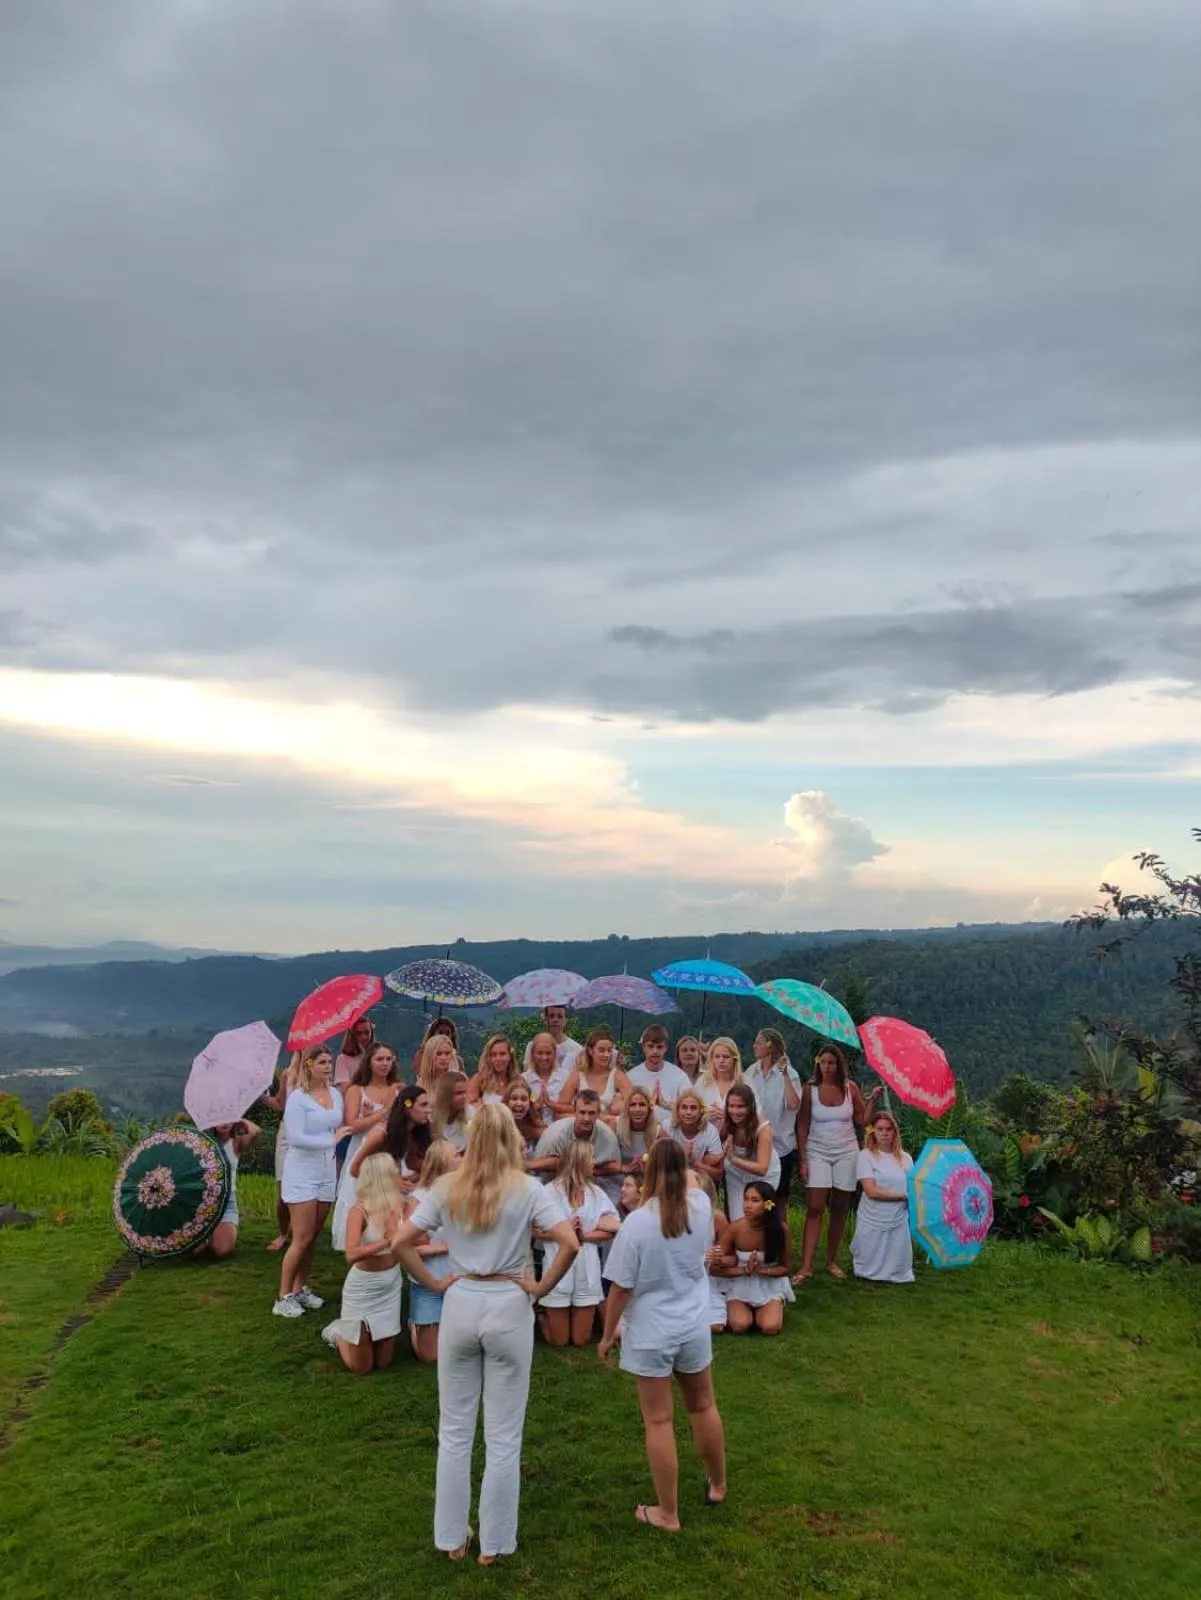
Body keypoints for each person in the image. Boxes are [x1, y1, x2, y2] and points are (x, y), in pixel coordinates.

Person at [390, 1104, 581, 1565]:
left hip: (461, 1301)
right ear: (511, 1139)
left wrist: (434, 1283)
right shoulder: (527, 1188)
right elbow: (570, 1243)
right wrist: (539, 1288)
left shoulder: (446, 1186)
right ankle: (494, 1544)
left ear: (472, 1140)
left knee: (454, 1431)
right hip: (508, 1302)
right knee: (503, 1434)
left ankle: (452, 1538)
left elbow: (400, 1242)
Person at [598, 1140, 728, 1531]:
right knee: (703, 1406)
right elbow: (690, 1180)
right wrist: (680, 1160)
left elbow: (620, 1288)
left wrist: (607, 1334)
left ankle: (668, 1513)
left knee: (658, 1421)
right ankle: (718, 1484)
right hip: (692, 1324)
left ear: (648, 1173)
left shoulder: (636, 1222)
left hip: (652, 1329)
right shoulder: (702, 1207)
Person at [794, 1044, 882, 1284]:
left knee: (840, 1208)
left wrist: (872, 1100)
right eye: (823, 1062)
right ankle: (806, 1266)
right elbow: (802, 1125)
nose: (827, 1067)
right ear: (817, 1063)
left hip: (847, 1151)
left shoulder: (849, 1088)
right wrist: (803, 1159)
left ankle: (831, 1261)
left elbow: (863, 1120)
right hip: (817, 1150)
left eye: (831, 1063)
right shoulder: (809, 1090)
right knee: (815, 1206)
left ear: (839, 1064)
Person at [274, 1047, 343, 1319]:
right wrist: (332, 1141)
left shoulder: (335, 1093)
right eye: (322, 1062)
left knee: (312, 1235)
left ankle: (300, 1287)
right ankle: (283, 1296)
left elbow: (337, 1124)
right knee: (300, 1237)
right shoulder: (298, 1099)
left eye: (330, 1062)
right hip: (302, 1171)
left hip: (326, 1171)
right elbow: (297, 1137)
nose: (328, 1067)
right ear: (309, 1066)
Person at [320, 1152, 404, 1374]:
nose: (399, 1176)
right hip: (364, 1286)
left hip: (391, 1282)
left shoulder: (398, 1206)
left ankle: (372, 1336)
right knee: (362, 1368)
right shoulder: (359, 1211)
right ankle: (337, 1335)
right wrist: (386, 1241)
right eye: (394, 1173)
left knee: (385, 1362)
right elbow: (351, 1254)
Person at [535, 1143, 619, 1347]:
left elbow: (609, 1228)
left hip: (587, 1264)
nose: (594, 1163)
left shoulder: (596, 1193)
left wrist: (583, 1235)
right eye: (590, 1158)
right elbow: (533, 1230)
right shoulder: (549, 1192)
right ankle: (542, 1318)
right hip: (558, 1261)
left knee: (581, 1340)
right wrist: (564, 1234)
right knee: (560, 1341)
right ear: (579, 1161)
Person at [331, 1043, 400, 1251]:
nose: (385, 1064)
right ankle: (355, 1239)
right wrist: (383, 1112)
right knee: (358, 1194)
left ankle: (386, 1239)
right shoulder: (356, 1090)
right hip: (361, 1148)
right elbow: (351, 1124)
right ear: (369, 1062)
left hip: (388, 1151)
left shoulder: (397, 1089)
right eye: (380, 1059)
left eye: (388, 1059)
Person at [405, 1139, 461, 1362]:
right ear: (443, 1163)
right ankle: (415, 1324)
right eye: (456, 1155)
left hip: (458, 1279)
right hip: (427, 1282)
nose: (462, 1158)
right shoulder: (418, 1200)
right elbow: (408, 1248)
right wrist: (440, 1248)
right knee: (430, 1357)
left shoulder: (463, 1194)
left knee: (460, 1350)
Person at [719, 1180, 794, 1335]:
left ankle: (768, 1309)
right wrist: (745, 1270)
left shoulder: (781, 1230)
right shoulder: (735, 1228)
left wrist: (762, 1270)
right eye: (746, 1199)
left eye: (754, 1200)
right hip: (741, 1282)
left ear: (767, 1204)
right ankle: (745, 1311)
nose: (747, 1205)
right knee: (739, 1326)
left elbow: (786, 1267)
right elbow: (714, 1269)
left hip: (769, 1283)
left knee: (770, 1327)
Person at [851, 1111, 915, 1284]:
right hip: (873, 1216)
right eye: (880, 1129)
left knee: (900, 1267)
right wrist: (902, 1196)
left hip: (898, 1218)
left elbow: (914, 1187)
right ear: (873, 1131)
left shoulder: (906, 1158)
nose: (885, 1133)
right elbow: (871, 1191)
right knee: (868, 1263)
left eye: (889, 1129)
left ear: (894, 1132)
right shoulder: (865, 1156)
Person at [744, 1028, 803, 1207]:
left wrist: (784, 1074)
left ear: (769, 1047)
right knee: (754, 1200)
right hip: (754, 1144)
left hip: (781, 1147)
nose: (754, 1046)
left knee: (778, 1203)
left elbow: (794, 1105)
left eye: (758, 1042)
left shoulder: (790, 1074)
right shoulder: (751, 1072)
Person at [195, 1118, 260, 1259]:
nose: (224, 1123)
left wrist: (240, 1119)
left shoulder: (236, 1142)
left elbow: (256, 1131)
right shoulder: (204, 1143)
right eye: (220, 1119)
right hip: (203, 1202)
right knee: (193, 1251)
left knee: (223, 1251)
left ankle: (210, 1237)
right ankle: (207, 1235)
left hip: (227, 1202)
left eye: (228, 1120)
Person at [529, 1089, 623, 1184]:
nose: (586, 1118)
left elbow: (612, 1171)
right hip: (555, 1181)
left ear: (598, 1113)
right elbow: (541, 1171)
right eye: (582, 1112)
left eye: (591, 1113)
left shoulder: (607, 1136)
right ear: (574, 1111)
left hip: (596, 1184)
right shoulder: (556, 1134)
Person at [352, 1084, 433, 1191]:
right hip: (366, 1187)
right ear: (407, 1107)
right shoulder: (380, 1134)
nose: (429, 1110)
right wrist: (391, 1182)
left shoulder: (413, 1132)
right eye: (423, 1105)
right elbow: (355, 1169)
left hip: (388, 1187)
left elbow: (412, 1163)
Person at [720, 1083, 780, 1220]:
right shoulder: (727, 1123)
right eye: (731, 1106)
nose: (735, 1111)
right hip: (736, 1174)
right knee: (738, 1219)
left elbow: (762, 1168)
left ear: (751, 1107)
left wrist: (733, 1159)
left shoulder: (763, 1128)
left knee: (757, 1219)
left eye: (740, 1106)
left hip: (763, 1176)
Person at [559, 1029, 632, 1118]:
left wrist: (619, 1106)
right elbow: (560, 1107)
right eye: (601, 1050)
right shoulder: (578, 1075)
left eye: (609, 1051)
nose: (606, 1055)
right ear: (591, 1050)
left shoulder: (617, 1075)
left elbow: (634, 1102)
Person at [262, 1059, 295, 1253]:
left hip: (310, 1133)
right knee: (283, 1189)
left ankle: (301, 1231)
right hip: (287, 1133)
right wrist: (262, 1096)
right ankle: (284, 1233)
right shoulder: (287, 1074)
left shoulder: (320, 1071)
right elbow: (279, 1105)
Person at [693, 1172, 731, 1334]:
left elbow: (729, 1254)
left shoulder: (717, 1218)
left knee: (716, 1326)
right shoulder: (676, 1216)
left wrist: (717, 1256)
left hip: (710, 1275)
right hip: (685, 1274)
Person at [627, 1025, 691, 1112]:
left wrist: (665, 1104)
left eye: (659, 1047)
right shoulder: (630, 1077)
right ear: (643, 1047)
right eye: (651, 1046)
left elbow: (690, 1107)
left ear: (666, 1048)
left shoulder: (680, 1076)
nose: (655, 1051)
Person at [670, 1091, 724, 1183]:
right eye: (684, 1107)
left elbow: (718, 1174)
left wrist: (693, 1162)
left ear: (701, 1111)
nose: (688, 1112)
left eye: (693, 1108)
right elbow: (659, 1166)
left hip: (700, 1181)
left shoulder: (710, 1131)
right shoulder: (668, 1127)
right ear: (677, 1110)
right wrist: (680, 1156)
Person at [523, 1031, 574, 1126]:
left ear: (555, 1054)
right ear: (533, 1054)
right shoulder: (524, 1079)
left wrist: (551, 1105)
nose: (544, 1057)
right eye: (539, 1053)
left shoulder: (566, 1077)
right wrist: (535, 1106)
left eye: (548, 1053)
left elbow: (575, 1107)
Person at [615, 1088, 666, 1180]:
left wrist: (647, 1168)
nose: (637, 1109)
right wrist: (625, 1168)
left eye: (642, 1105)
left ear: (649, 1108)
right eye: (632, 1105)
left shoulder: (659, 1133)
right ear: (627, 1108)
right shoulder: (615, 1125)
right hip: (618, 1179)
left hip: (646, 1180)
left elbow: (666, 1165)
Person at [696, 1036, 743, 1125]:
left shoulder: (745, 1083)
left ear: (734, 1059)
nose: (721, 1060)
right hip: (706, 1135)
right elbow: (690, 1109)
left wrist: (731, 1114)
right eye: (717, 1057)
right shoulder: (702, 1082)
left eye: (726, 1057)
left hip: (737, 1135)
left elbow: (755, 1113)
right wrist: (703, 1114)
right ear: (712, 1059)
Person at [468, 1035, 521, 1105]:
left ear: (510, 1056)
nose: (498, 1059)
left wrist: (539, 1099)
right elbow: (468, 1104)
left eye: (502, 1054)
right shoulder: (479, 1079)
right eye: (493, 1054)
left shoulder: (519, 1080)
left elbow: (532, 1100)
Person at [432, 1070, 475, 1153]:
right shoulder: (431, 1116)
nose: (464, 1097)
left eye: (465, 1092)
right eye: (459, 1093)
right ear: (445, 1095)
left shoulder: (470, 1113)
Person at [501, 1079, 545, 1159]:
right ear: (506, 1102)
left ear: (530, 1104)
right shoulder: (498, 1126)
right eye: (514, 1098)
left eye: (524, 1099)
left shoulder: (540, 1129)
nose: (519, 1103)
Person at [541, 1005, 585, 1072]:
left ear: (566, 1020)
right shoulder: (533, 1047)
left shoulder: (577, 1049)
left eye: (560, 1016)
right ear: (545, 1020)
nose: (555, 1020)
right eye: (551, 1016)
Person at [418, 1034, 460, 1100]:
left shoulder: (459, 1081)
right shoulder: (422, 1083)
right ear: (430, 1055)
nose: (443, 1058)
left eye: (447, 1053)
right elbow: (409, 1103)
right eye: (439, 1054)